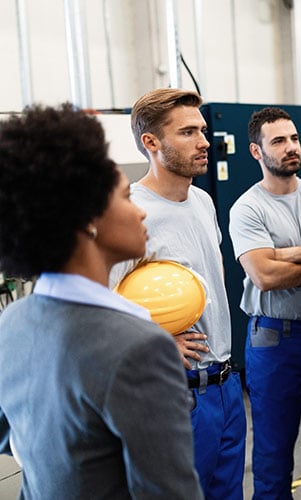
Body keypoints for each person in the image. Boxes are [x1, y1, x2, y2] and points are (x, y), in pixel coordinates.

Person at [0, 104, 202, 498]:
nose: (140, 211)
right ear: (88, 218)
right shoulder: (138, 347)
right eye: (126, 197)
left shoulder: (14, 321)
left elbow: (12, 438)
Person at [123, 88, 247, 499]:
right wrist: (156, 342)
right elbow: (98, 308)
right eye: (189, 132)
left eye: (203, 131)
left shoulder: (204, 202)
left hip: (227, 387)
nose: (204, 142)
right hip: (178, 395)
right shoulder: (130, 214)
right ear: (151, 142)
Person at [228, 107, 301, 498]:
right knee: (274, 455)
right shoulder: (247, 208)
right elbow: (264, 276)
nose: (291, 147)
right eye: (278, 141)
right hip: (274, 341)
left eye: (293, 138)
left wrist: (285, 253)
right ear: (256, 152)